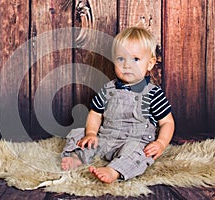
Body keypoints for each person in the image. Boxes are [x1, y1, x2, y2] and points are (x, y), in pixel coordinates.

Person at [61, 27, 175, 184]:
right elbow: (95, 113)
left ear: (150, 64)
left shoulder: (153, 94)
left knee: (140, 153)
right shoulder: (108, 89)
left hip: (133, 141)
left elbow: (167, 122)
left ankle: (114, 170)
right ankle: (77, 157)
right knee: (80, 135)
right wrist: (92, 133)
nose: (127, 65)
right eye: (121, 59)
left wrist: (161, 143)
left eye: (135, 59)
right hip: (106, 138)